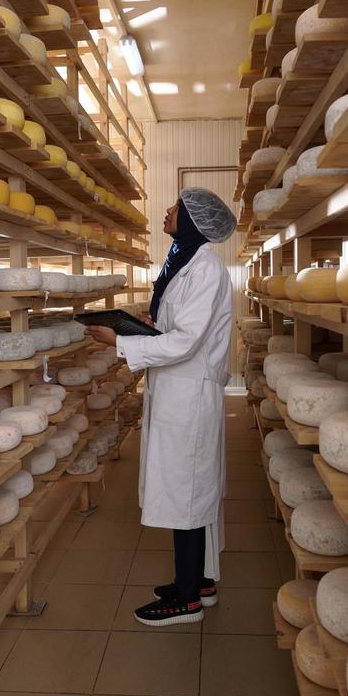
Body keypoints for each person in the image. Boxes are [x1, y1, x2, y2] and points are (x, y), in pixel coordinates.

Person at [85, 188, 237, 626]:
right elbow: (180, 327)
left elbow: (187, 341)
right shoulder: (185, 261)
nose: (168, 212)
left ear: (192, 220)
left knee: (185, 491)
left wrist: (120, 340)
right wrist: (148, 327)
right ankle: (199, 582)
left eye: (176, 208)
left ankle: (187, 600)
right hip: (178, 389)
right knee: (188, 488)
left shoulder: (204, 268)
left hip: (188, 394)